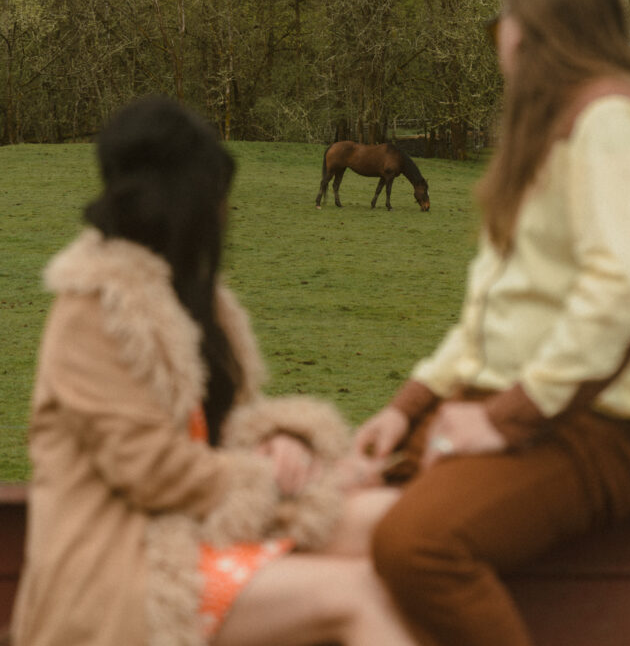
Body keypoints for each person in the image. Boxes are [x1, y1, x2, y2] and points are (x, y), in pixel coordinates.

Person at [347, 0, 630, 646]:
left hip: (594, 429)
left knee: (416, 546)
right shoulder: (547, 138)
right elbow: (491, 315)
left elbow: (625, 291)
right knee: (332, 517)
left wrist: (505, 418)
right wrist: (408, 406)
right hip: (509, 412)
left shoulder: (613, 124)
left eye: (504, 18)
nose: (498, 34)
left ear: (529, 30)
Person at [11, 95, 422, 646]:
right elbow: (149, 468)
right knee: (355, 595)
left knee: (392, 526)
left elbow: (221, 427)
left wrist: (281, 440)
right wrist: (271, 479)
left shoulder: (195, 297)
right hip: (125, 565)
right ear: (178, 201)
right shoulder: (92, 312)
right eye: (215, 194)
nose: (225, 211)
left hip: (203, 522)